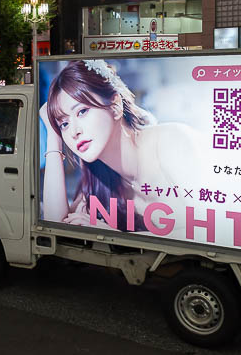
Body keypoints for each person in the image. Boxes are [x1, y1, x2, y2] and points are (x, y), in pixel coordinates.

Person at [40, 59, 203, 233]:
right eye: (64, 124)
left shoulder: (173, 142)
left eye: (82, 111)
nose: (73, 131)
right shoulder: (97, 175)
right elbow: (56, 225)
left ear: (115, 106)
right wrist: (52, 134)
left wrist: (119, 237)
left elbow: (219, 229)